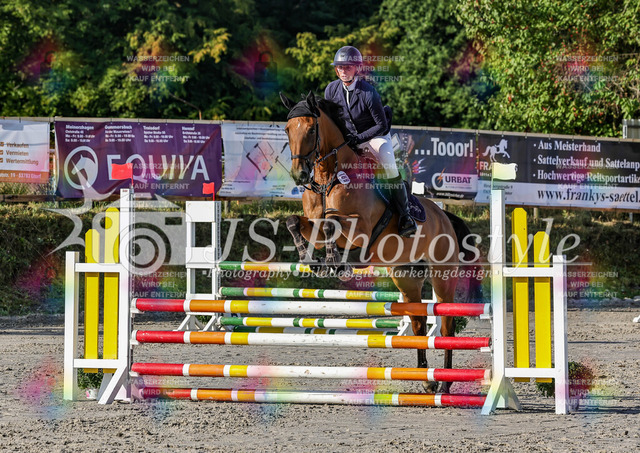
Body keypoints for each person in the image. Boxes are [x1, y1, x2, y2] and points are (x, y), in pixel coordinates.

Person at [324, 45, 417, 237]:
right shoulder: (331, 90)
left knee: (389, 164)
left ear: (357, 68)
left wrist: (358, 139)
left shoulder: (368, 92)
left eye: (348, 67)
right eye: (340, 67)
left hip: (374, 137)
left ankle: (406, 216)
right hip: (349, 140)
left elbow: (381, 125)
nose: (343, 71)